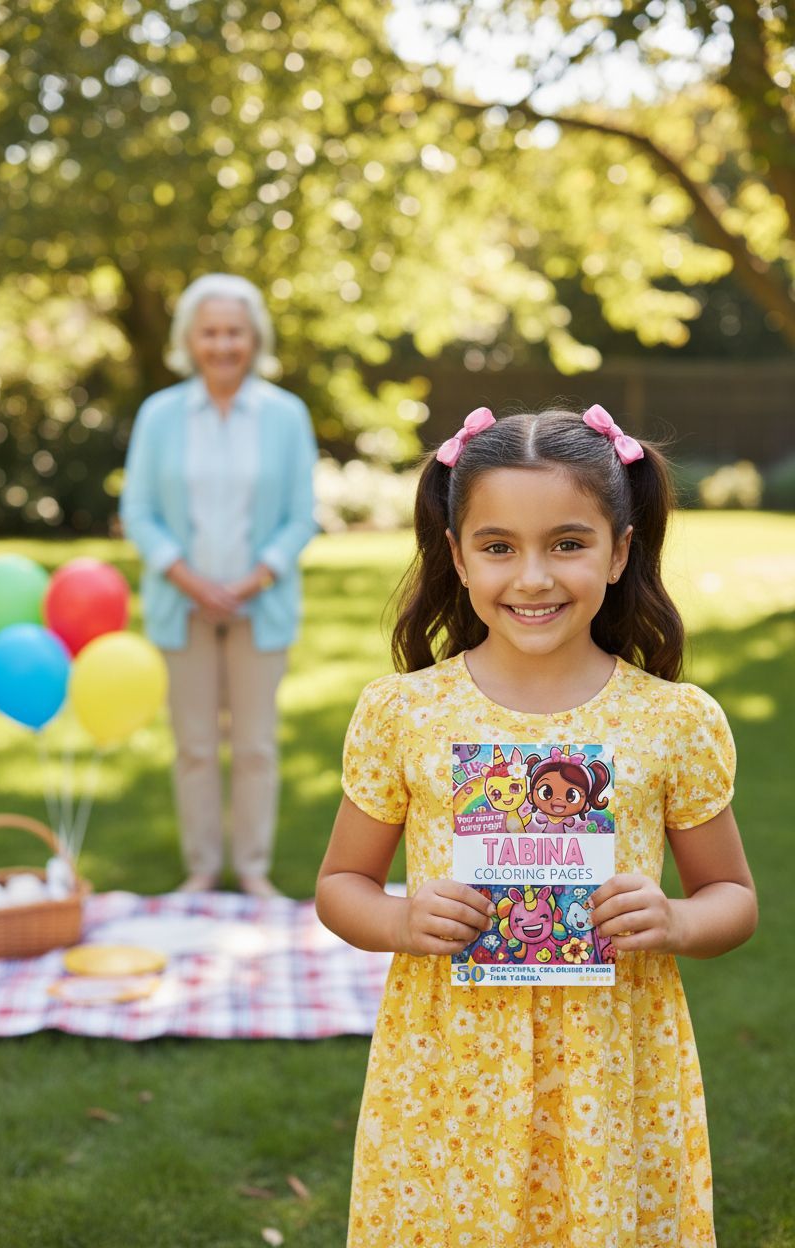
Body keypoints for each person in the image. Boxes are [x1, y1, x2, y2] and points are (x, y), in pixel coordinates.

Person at [316, 404, 757, 1246]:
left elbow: (732, 897)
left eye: (567, 544)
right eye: (498, 547)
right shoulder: (403, 714)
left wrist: (676, 920)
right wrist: (400, 920)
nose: (532, 577)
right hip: (450, 1070)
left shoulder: (673, 722)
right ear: (457, 556)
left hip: (610, 1067)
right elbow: (341, 884)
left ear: (619, 551)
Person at [121, 274, 317, 897]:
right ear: (190, 340)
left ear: (254, 338)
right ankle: (202, 869)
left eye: (235, 331)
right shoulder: (160, 415)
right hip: (183, 605)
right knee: (195, 747)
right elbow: (138, 512)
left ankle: (253, 869)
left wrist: (252, 581)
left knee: (256, 746)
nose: (223, 344)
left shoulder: (286, 415)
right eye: (210, 332)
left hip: (263, 605)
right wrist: (193, 582)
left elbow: (301, 516)